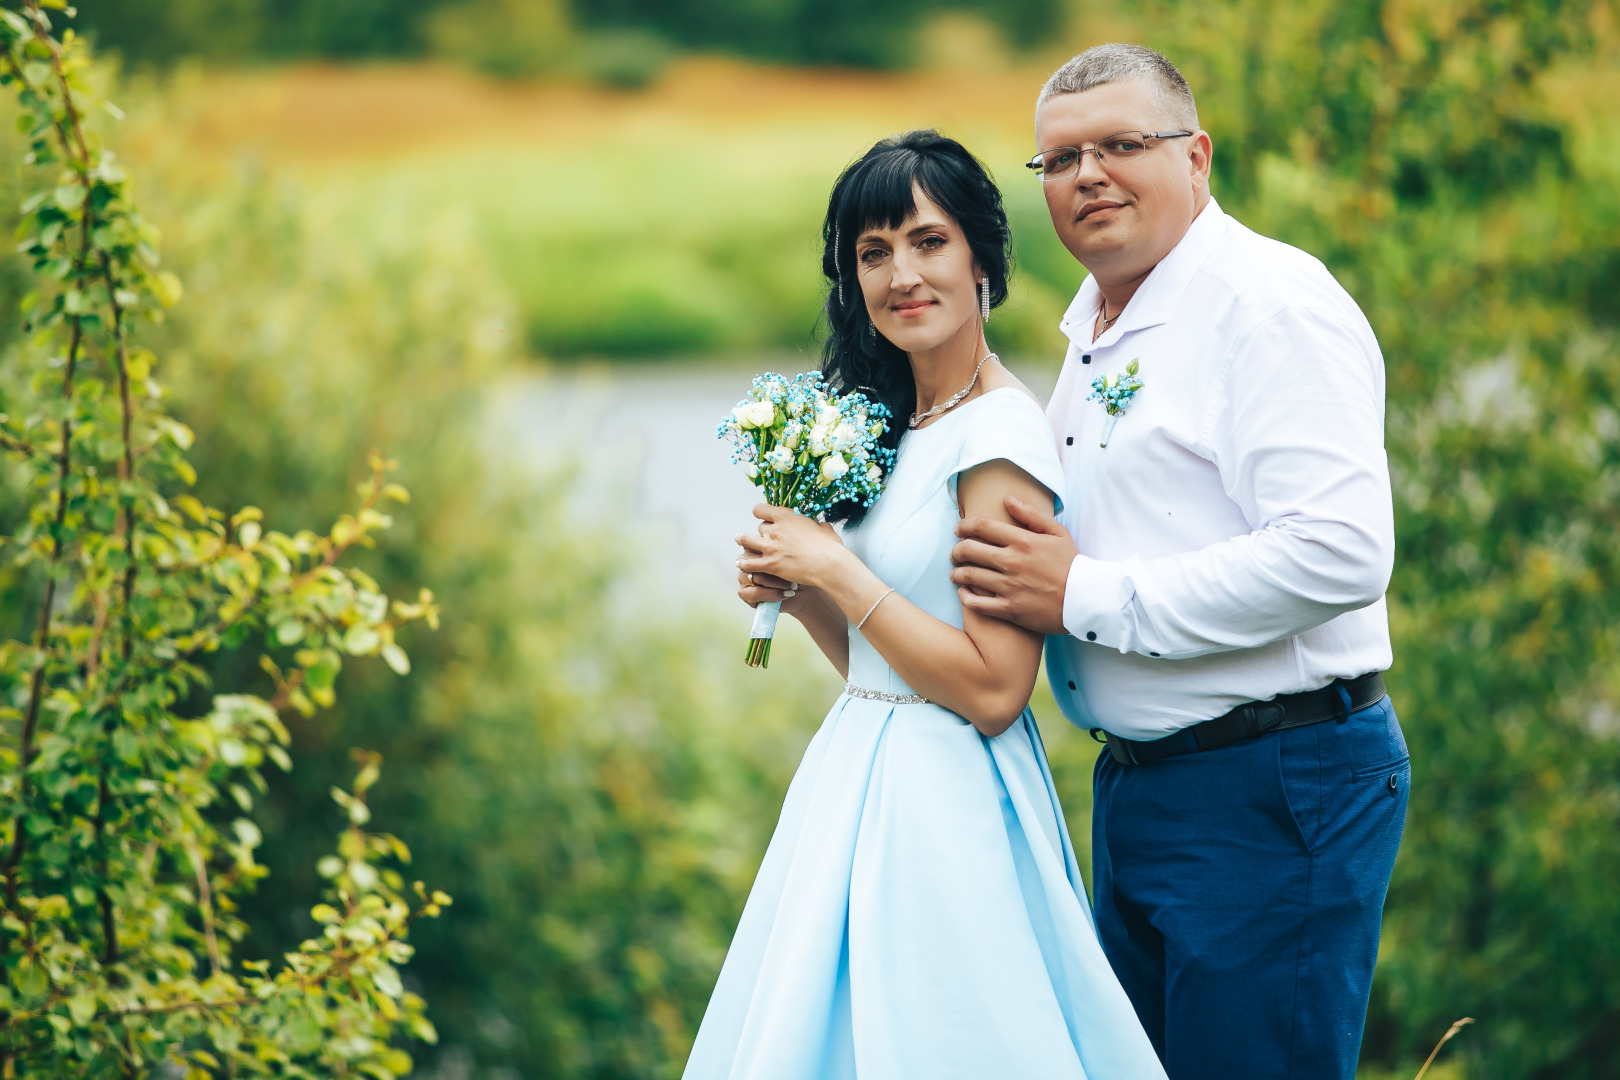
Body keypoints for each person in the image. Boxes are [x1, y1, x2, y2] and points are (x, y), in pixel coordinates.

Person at [948, 44, 1408, 1080]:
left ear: (1196, 156)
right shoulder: (1101, 319)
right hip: (1147, 788)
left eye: (1123, 145)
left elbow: (1338, 553)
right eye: (1061, 159)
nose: (1089, 175)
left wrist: (1082, 596)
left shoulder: (1265, 304)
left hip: (1272, 779)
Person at [684, 130, 1166, 1080]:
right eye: (873, 253)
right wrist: (804, 582)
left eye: (927, 241)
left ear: (982, 259)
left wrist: (840, 571)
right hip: (858, 777)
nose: (901, 273)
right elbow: (876, 662)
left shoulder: (998, 439)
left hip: (948, 802)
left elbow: (994, 690)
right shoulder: (897, 425)